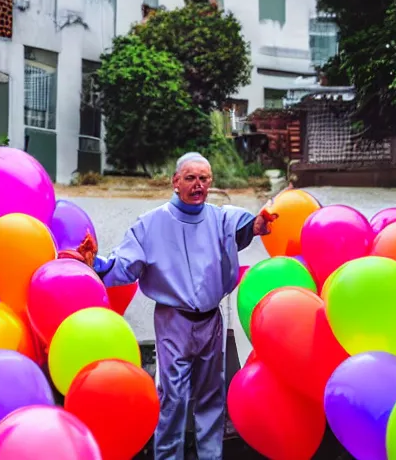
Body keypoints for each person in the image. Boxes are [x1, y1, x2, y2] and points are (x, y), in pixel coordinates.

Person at [94, 152, 277, 460]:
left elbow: (248, 227)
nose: (198, 185)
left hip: (210, 320)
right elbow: (122, 266)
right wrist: (93, 264)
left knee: (211, 394)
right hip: (173, 320)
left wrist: (260, 223)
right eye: (190, 178)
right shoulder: (151, 223)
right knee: (173, 396)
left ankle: (210, 455)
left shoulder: (220, 218)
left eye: (204, 179)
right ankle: (167, 456)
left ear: (211, 182)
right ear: (175, 182)